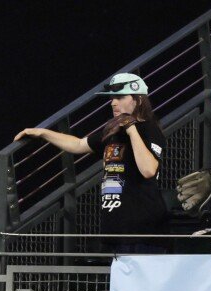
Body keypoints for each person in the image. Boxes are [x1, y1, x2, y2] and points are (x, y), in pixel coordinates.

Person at [15, 73, 168, 253]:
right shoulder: (112, 131)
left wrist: (131, 129)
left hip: (143, 230)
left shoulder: (149, 129)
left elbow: (149, 170)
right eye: (112, 98)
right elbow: (78, 144)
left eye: (120, 97)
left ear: (138, 100)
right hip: (116, 228)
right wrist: (42, 133)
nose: (113, 103)